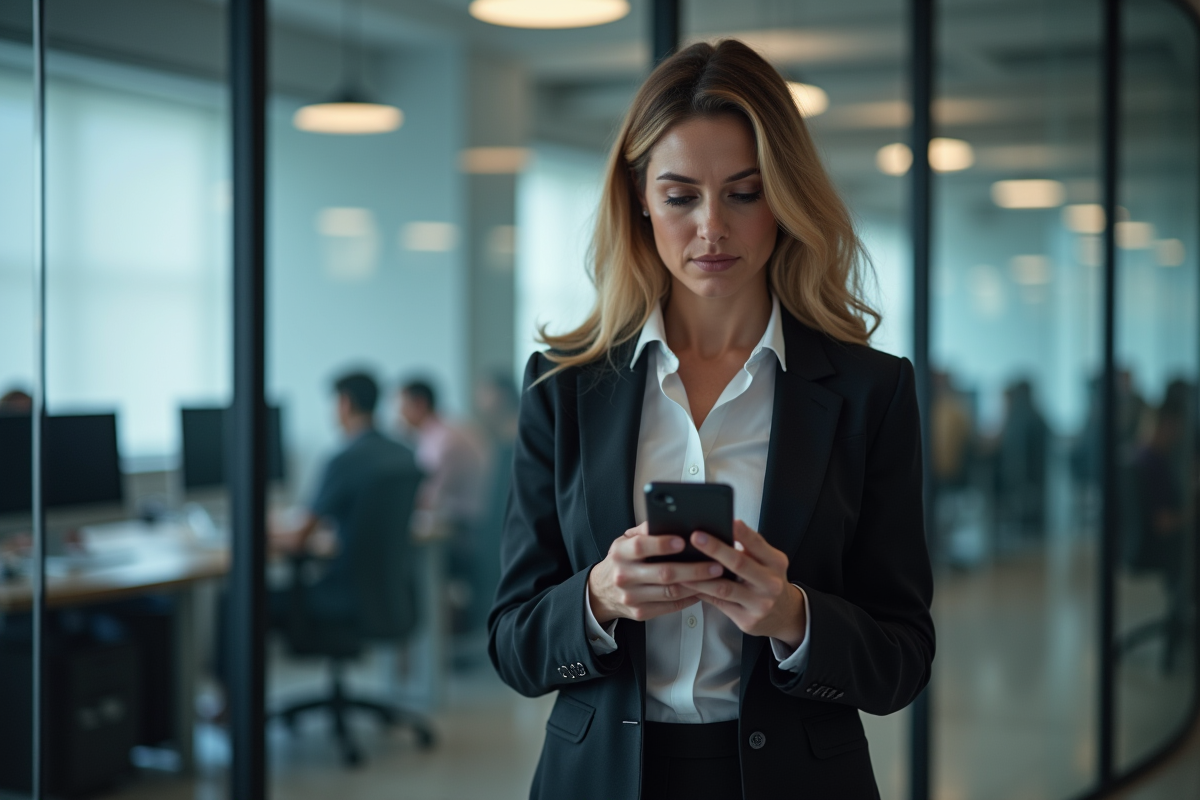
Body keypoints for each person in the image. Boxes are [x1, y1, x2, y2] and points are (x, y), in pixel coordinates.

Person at [488, 40, 934, 800]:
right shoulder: (562, 389)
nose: (711, 230)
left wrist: (795, 616)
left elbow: (902, 660)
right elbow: (512, 644)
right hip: (598, 781)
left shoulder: (871, 390)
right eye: (680, 194)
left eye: (744, 192)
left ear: (785, 196)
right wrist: (597, 596)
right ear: (638, 196)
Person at [397, 377, 489, 632]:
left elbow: (425, 499)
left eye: (401, 405)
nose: (397, 414)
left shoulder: (442, 441)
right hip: (476, 529)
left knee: (398, 561)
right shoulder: (452, 430)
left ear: (419, 404)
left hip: (466, 534)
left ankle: (415, 641)